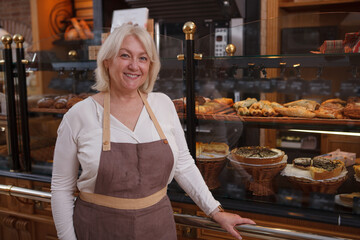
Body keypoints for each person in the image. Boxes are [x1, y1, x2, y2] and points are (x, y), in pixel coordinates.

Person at [51, 23, 255, 240]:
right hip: (98, 228)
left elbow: (184, 164)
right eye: (125, 55)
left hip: (158, 227)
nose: (134, 66)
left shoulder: (163, 105)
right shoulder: (79, 115)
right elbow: (61, 190)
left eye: (142, 58)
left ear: (150, 65)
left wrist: (215, 211)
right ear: (107, 61)